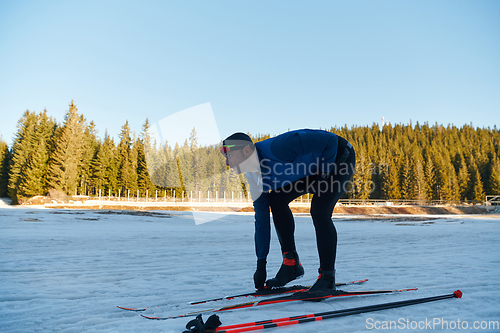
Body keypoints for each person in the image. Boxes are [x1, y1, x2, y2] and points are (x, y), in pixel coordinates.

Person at [220, 129, 356, 296]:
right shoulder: (255, 179)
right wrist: (261, 265)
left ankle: (327, 278)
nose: (227, 162)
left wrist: (325, 174)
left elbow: (330, 141)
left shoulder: (279, 148)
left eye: (229, 155)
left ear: (246, 151)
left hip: (338, 155)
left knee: (320, 210)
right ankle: (291, 264)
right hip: (316, 170)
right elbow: (262, 221)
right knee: (277, 200)